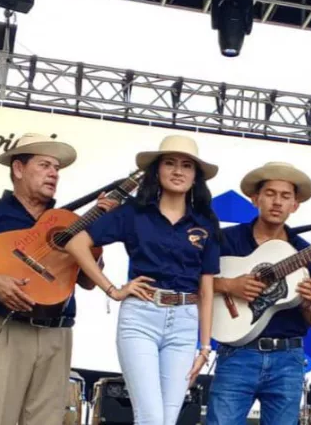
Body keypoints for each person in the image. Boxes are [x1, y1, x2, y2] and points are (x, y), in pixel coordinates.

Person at [0, 133, 113, 425]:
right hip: (2, 327)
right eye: (44, 165)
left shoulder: (69, 221)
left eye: (56, 168)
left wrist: (97, 239)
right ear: (18, 168)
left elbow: (88, 282)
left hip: (56, 332)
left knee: (47, 420)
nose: (53, 173)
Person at [64, 135, 221, 425]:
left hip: (185, 321)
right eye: (170, 163)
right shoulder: (134, 212)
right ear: (157, 170)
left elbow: (207, 287)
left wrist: (205, 347)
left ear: (195, 176)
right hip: (141, 317)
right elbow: (75, 243)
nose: (178, 171)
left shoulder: (205, 222)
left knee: (168, 419)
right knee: (150, 417)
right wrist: (113, 290)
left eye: (187, 165)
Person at [206, 162, 311, 425]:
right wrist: (229, 285)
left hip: (288, 359)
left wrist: (307, 303)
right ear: (255, 199)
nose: (277, 202)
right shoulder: (225, 239)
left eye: (285, 196)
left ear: (295, 205)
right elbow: (192, 284)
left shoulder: (304, 252)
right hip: (237, 354)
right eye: (270, 194)